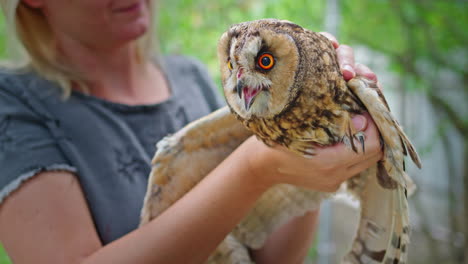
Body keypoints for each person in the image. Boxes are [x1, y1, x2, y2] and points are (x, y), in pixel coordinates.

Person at [0, 0, 383, 263]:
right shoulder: (13, 104)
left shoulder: (193, 79)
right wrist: (254, 168)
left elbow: (272, 257)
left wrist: (312, 112)